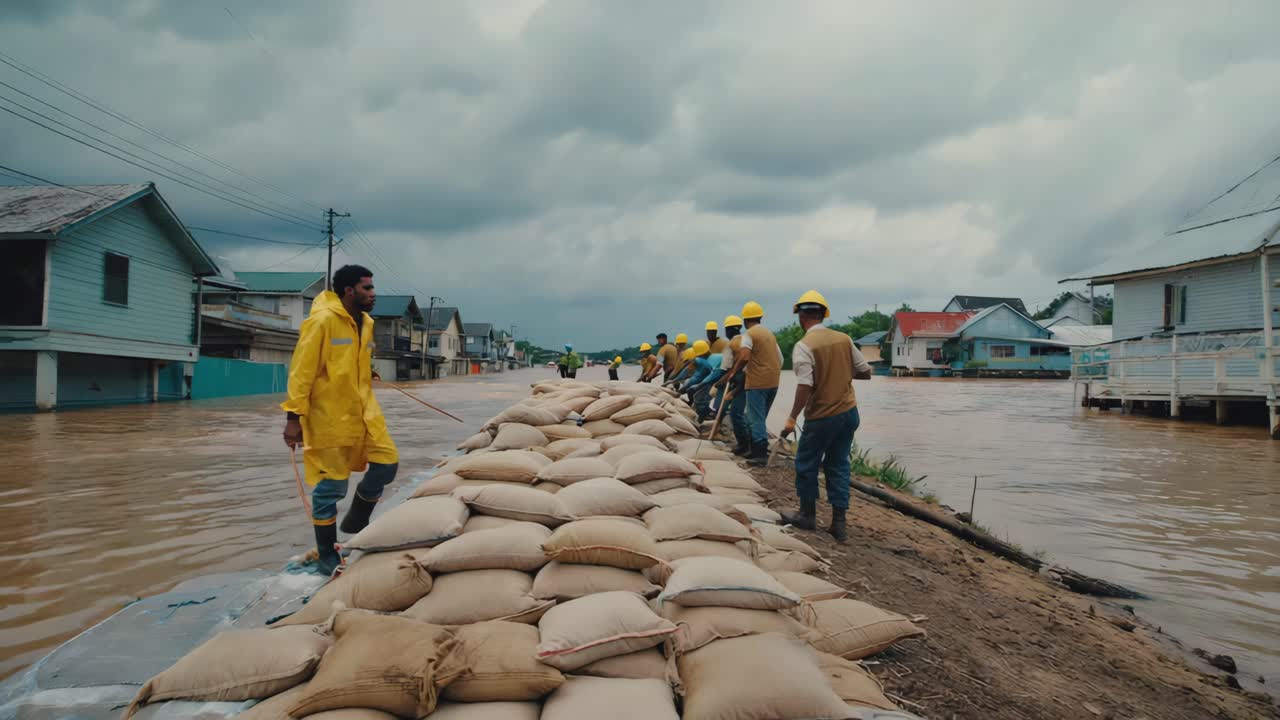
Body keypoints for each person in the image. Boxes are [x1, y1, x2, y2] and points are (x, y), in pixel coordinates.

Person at [282, 264, 399, 576]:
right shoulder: (321, 321)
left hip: (364, 412)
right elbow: (302, 371)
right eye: (367, 288)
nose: (373, 294)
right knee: (331, 487)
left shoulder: (367, 323)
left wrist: (367, 369)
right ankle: (326, 554)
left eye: (373, 287)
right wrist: (293, 419)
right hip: (329, 417)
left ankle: (356, 519)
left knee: (387, 464)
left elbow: (353, 358)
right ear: (349, 291)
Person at [778, 291, 872, 542]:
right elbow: (866, 371)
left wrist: (791, 417)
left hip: (823, 416)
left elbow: (805, 385)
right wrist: (840, 374)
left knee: (807, 463)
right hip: (849, 413)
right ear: (823, 314)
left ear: (803, 316)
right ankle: (839, 523)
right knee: (839, 464)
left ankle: (807, 515)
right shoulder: (843, 338)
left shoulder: (804, 346)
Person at [731, 300, 782, 466]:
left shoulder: (749, 335)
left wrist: (734, 371)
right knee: (759, 417)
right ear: (760, 318)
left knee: (755, 419)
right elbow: (780, 359)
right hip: (773, 382)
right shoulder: (769, 334)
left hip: (757, 384)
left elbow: (745, 356)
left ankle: (760, 454)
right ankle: (754, 449)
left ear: (745, 321)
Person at [680, 339, 722, 420]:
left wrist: (698, 385)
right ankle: (707, 415)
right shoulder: (710, 359)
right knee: (698, 396)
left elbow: (711, 376)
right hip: (717, 381)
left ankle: (705, 416)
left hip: (721, 381)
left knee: (700, 398)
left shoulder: (712, 360)